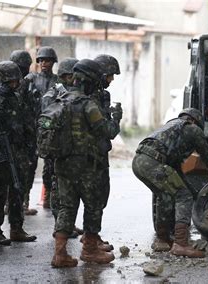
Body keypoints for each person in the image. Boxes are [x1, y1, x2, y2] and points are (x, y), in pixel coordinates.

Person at [51, 59, 121, 268]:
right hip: (86, 166)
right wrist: (116, 118)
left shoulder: (60, 99)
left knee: (66, 207)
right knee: (93, 206)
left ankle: (60, 254)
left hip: (62, 164)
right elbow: (108, 132)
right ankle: (89, 250)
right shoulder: (88, 104)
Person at [132, 108, 208, 257]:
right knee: (184, 197)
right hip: (153, 162)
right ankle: (181, 244)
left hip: (139, 161)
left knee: (165, 195)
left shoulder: (171, 128)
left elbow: (177, 174)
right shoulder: (192, 128)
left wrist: (194, 192)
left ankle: (162, 240)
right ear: (194, 121)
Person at [0, 61, 37, 245]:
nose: (14, 84)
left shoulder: (16, 96)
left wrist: (30, 142)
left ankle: (16, 228)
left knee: (17, 190)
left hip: (17, 150)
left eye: (16, 81)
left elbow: (24, 120)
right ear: (1, 81)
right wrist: (2, 99)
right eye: (10, 82)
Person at [41, 57, 84, 238]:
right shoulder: (52, 95)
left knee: (70, 191)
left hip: (71, 148)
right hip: (57, 149)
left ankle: (68, 224)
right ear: (67, 75)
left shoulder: (73, 93)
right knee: (57, 188)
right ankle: (60, 225)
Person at [92, 54, 122, 251]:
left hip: (99, 152)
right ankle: (91, 239)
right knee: (95, 196)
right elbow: (108, 131)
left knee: (100, 195)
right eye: (110, 75)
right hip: (92, 154)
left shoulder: (102, 95)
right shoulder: (92, 97)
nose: (111, 79)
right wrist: (116, 119)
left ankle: (92, 237)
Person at [25, 46, 58, 209]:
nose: (44, 63)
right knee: (29, 166)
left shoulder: (58, 82)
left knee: (50, 167)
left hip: (51, 127)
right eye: (41, 60)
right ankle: (24, 201)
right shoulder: (31, 79)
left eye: (48, 60)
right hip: (33, 127)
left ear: (53, 62)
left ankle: (48, 198)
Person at [9, 50, 38, 216]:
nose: (24, 71)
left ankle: (23, 203)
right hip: (13, 139)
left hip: (28, 135)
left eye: (26, 67)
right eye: (21, 67)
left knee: (28, 170)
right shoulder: (5, 86)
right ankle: (11, 205)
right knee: (11, 176)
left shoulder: (28, 83)